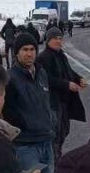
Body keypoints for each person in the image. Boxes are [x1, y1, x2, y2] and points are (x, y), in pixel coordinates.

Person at [2, 33, 56, 173]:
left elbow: (46, 102)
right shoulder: (10, 78)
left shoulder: (41, 73)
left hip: (45, 139)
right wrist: (22, 125)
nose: (29, 53)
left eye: (32, 49)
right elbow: (7, 109)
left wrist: (50, 120)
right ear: (16, 52)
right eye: (24, 49)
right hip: (26, 144)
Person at [37, 27, 86, 162]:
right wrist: (67, 85)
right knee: (55, 134)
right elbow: (46, 80)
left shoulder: (61, 55)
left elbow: (68, 72)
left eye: (60, 38)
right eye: (55, 39)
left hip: (64, 101)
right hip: (52, 102)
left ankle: (56, 157)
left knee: (64, 131)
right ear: (48, 40)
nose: (59, 41)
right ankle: (53, 162)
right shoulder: (43, 58)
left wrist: (78, 79)